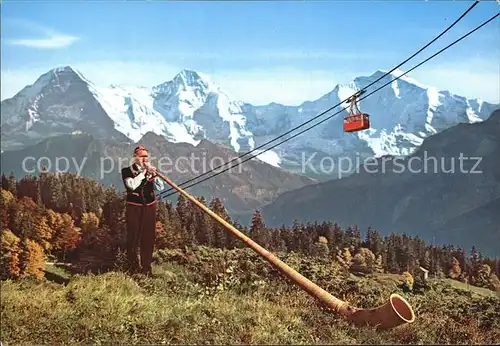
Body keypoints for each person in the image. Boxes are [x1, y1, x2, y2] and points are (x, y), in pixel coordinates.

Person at [121, 144, 165, 276]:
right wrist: (144, 173)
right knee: (133, 237)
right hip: (134, 207)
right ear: (135, 157)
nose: (145, 159)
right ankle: (132, 267)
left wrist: (155, 176)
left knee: (148, 238)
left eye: (146, 156)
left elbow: (160, 188)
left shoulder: (150, 170)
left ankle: (146, 268)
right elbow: (132, 186)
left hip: (150, 207)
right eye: (142, 156)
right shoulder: (127, 171)